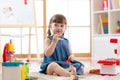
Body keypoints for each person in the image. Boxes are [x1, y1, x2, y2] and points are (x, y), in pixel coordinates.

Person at [40, 14, 84, 79]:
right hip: (51, 65)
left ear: (65, 27)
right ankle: (69, 74)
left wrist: (72, 56)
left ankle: (60, 73)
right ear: (50, 26)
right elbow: (47, 53)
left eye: (61, 26)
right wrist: (54, 42)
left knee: (78, 65)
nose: (59, 28)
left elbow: (71, 54)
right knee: (53, 65)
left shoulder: (66, 41)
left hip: (64, 64)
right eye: (56, 25)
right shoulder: (48, 40)